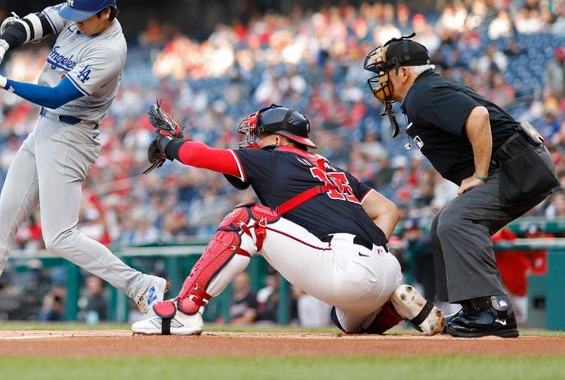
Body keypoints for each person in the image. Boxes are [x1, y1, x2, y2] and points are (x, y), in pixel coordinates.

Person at [0, 0, 167, 330]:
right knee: (3, 219)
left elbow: (58, 96)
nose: (76, 20)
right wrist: (3, 43)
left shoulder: (109, 50)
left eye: (85, 15)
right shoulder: (83, 13)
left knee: (59, 237)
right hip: (46, 129)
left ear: (107, 13)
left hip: (72, 136)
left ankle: (142, 286)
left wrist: (2, 82)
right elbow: (35, 23)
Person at [131, 104, 445, 336]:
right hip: (386, 268)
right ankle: (392, 301)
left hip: (349, 267)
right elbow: (389, 209)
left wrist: (168, 145)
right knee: (347, 323)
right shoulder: (331, 169)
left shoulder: (273, 158)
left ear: (279, 140)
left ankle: (186, 309)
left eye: (260, 136)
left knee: (246, 219)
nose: (253, 142)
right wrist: (372, 253)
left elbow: (200, 157)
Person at [363, 36, 560, 338]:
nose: (380, 80)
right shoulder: (426, 91)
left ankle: (495, 312)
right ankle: (473, 310)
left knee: (457, 220)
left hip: (517, 165)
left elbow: (477, 117)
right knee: (443, 222)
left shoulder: (422, 93)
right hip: (516, 162)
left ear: (402, 71)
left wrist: (480, 175)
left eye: (385, 71)